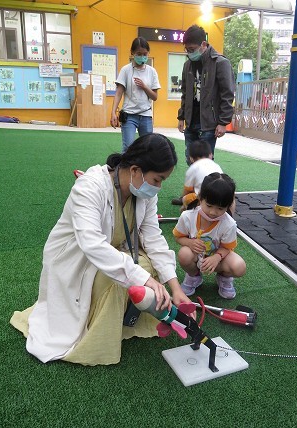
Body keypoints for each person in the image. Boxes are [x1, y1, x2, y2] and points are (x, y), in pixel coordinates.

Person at [10, 133, 193, 366]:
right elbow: (92, 244)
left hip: (115, 254)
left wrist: (175, 287)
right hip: (76, 260)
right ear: (135, 170)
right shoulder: (90, 186)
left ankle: (120, 318)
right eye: (157, 180)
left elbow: (153, 238)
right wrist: (144, 279)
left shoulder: (143, 194)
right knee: (126, 278)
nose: (158, 187)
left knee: (148, 268)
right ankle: (97, 331)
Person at [173, 172, 246, 299]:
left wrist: (217, 257)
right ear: (200, 198)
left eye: (220, 208)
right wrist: (190, 243)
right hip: (196, 257)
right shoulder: (188, 216)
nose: (213, 212)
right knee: (184, 254)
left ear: (228, 206)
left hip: (219, 259)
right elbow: (178, 237)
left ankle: (224, 278)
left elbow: (227, 248)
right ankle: (194, 276)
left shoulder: (229, 224)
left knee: (239, 267)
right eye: (209, 205)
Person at [177, 24, 234, 166]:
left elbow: (227, 94)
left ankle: (207, 181)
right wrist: (181, 116)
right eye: (187, 49)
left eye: (192, 49)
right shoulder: (187, 65)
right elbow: (185, 93)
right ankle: (195, 182)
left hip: (209, 123)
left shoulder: (220, 63)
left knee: (205, 163)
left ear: (203, 44)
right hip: (191, 120)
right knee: (190, 159)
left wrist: (223, 122)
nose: (189, 53)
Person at [110, 37, 161, 152]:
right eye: (139, 54)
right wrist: (113, 112)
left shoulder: (152, 71)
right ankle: (126, 164)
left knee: (147, 149)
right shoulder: (125, 70)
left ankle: (144, 165)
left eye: (145, 54)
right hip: (129, 115)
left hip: (146, 115)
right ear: (132, 52)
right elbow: (119, 93)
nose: (142, 57)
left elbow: (155, 97)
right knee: (128, 148)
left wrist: (144, 87)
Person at [170, 139, 222, 210]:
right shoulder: (216, 166)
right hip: (221, 197)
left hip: (203, 199)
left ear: (191, 158)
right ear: (211, 155)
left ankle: (187, 212)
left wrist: (183, 199)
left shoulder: (193, 168)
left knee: (185, 202)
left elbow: (187, 189)